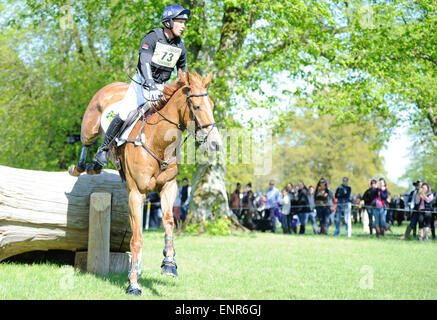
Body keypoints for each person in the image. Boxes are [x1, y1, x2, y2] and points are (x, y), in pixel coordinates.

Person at [93, 5, 191, 167]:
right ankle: (103, 149)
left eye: (184, 22)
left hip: (160, 87)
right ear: (168, 22)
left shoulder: (180, 46)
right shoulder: (152, 37)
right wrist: (150, 85)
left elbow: (182, 72)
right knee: (125, 113)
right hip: (141, 83)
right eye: (180, 22)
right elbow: (144, 61)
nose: (183, 26)